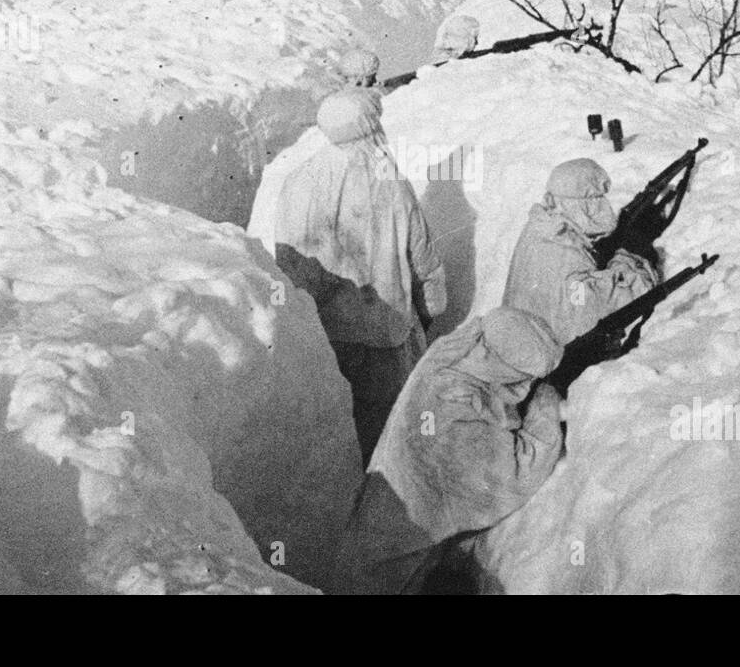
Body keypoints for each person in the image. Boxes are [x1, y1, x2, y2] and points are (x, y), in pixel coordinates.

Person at [335, 307, 565, 594]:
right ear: (499, 365)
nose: (526, 387)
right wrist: (546, 405)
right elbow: (515, 476)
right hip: (388, 568)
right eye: (521, 379)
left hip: (384, 537)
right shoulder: (453, 412)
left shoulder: (457, 355)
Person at [274, 89, 446, 464]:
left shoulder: (297, 181)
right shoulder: (391, 183)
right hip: (386, 334)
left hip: (327, 336)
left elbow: (289, 267)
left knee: (342, 428)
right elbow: (422, 259)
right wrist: (431, 307)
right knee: (392, 430)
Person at [502, 158, 659, 345]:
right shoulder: (566, 255)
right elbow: (601, 306)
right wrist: (630, 259)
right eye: (594, 199)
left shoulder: (542, 227)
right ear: (581, 204)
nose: (602, 205)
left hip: (523, 341)